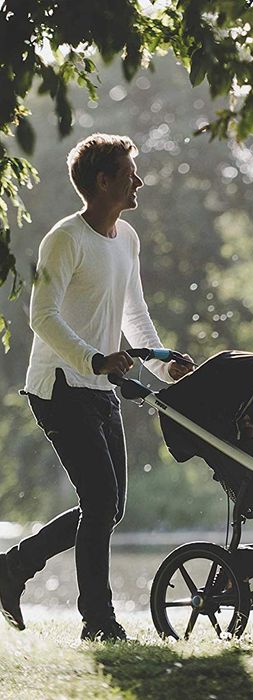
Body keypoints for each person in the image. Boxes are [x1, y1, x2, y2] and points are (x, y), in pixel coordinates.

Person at [0, 134, 194, 642]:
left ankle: (13, 568)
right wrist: (93, 358)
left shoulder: (126, 238)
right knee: (102, 501)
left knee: (109, 507)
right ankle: (99, 622)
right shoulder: (64, 239)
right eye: (131, 172)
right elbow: (41, 316)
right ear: (102, 181)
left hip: (101, 385)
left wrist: (162, 366)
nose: (139, 180)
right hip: (59, 385)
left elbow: (135, 314)